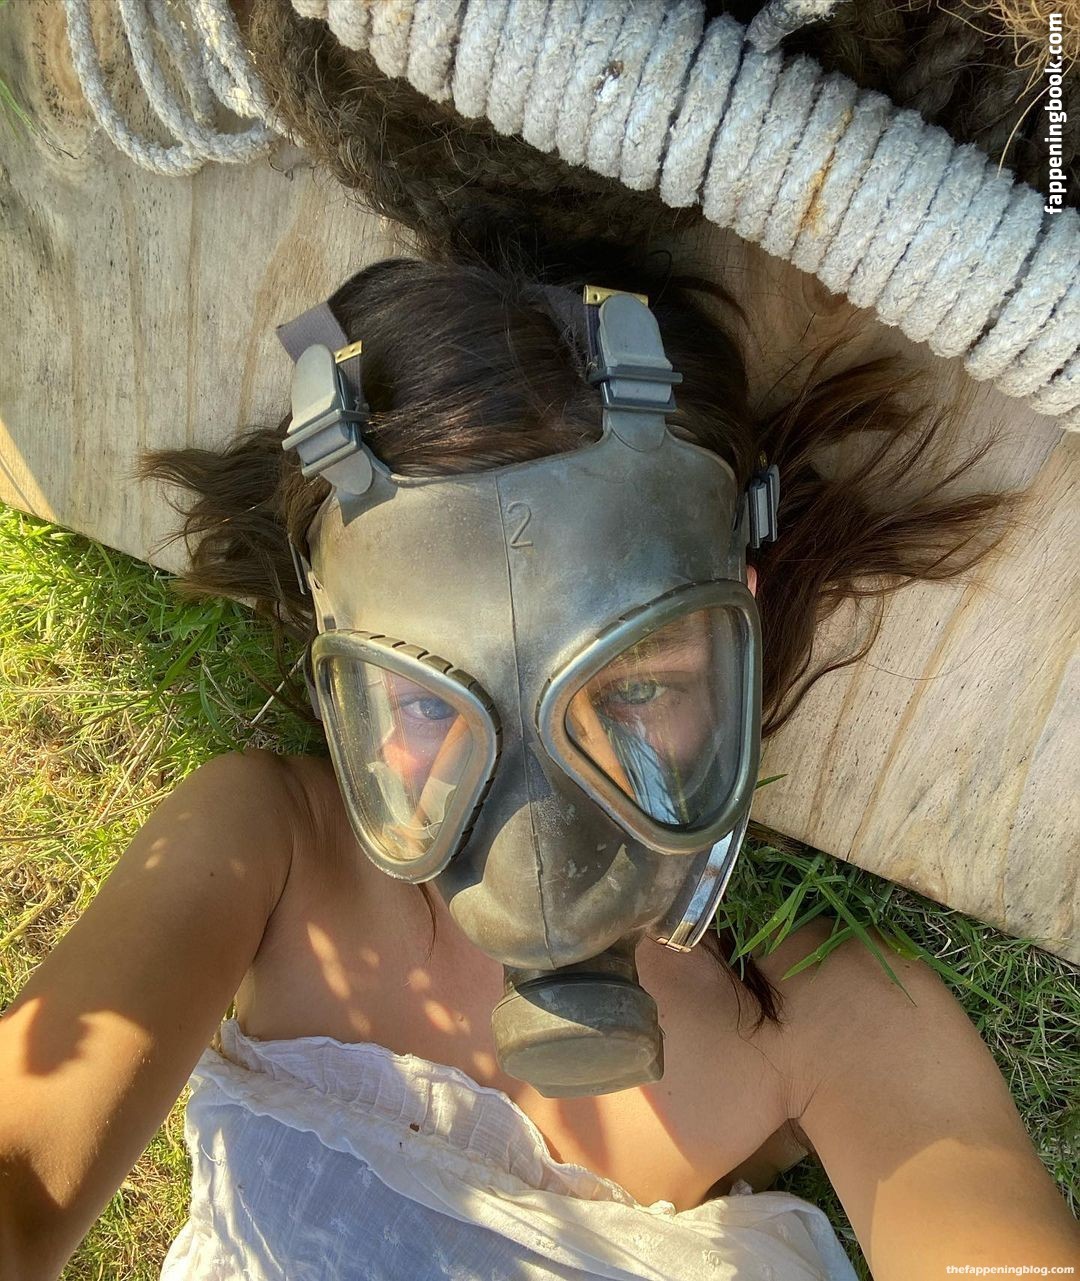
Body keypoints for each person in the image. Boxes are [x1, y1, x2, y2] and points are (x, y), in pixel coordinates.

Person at [2, 229, 1078, 1280]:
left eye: (637, 686)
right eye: (431, 704)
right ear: (349, 684)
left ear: (736, 633)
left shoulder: (833, 1020)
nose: (539, 824)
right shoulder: (267, 850)